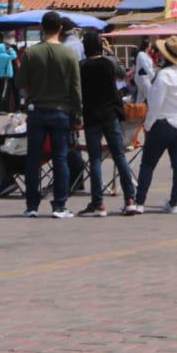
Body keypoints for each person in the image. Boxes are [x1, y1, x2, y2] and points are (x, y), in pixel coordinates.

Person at [16, 11, 83, 219]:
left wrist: (31, 94)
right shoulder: (69, 53)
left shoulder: (31, 53)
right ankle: (59, 205)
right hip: (61, 112)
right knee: (60, 158)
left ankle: (32, 205)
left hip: (37, 111)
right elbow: (75, 87)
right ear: (60, 29)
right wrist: (79, 114)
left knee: (33, 159)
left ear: (41, 28)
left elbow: (19, 83)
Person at [130, 36, 177, 215]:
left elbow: (155, 104)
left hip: (164, 123)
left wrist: (149, 125)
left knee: (148, 164)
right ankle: (175, 203)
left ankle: (139, 202)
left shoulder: (164, 75)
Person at [77, 32, 136, 217]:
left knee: (95, 158)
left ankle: (98, 204)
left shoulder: (82, 66)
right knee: (119, 156)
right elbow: (122, 73)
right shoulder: (108, 63)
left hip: (91, 116)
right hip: (110, 115)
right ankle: (130, 200)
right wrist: (110, 51)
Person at [0, 36, 18, 112]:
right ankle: (4, 108)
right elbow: (14, 56)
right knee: (5, 93)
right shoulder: (4, 56)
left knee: (0, 91)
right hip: (5, 76)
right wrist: (11, 49)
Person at [133, 38, 158, 104]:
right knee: (150, 96)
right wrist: (153, 75)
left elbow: (149, 67)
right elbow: (146, 66)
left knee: (140, 98)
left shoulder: (146, 55)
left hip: (145, 78)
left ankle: (136, 112)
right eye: (149, 46)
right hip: (143, 78)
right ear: (146, 46)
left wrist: (154, 71)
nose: (150, 47)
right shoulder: (141, 54)